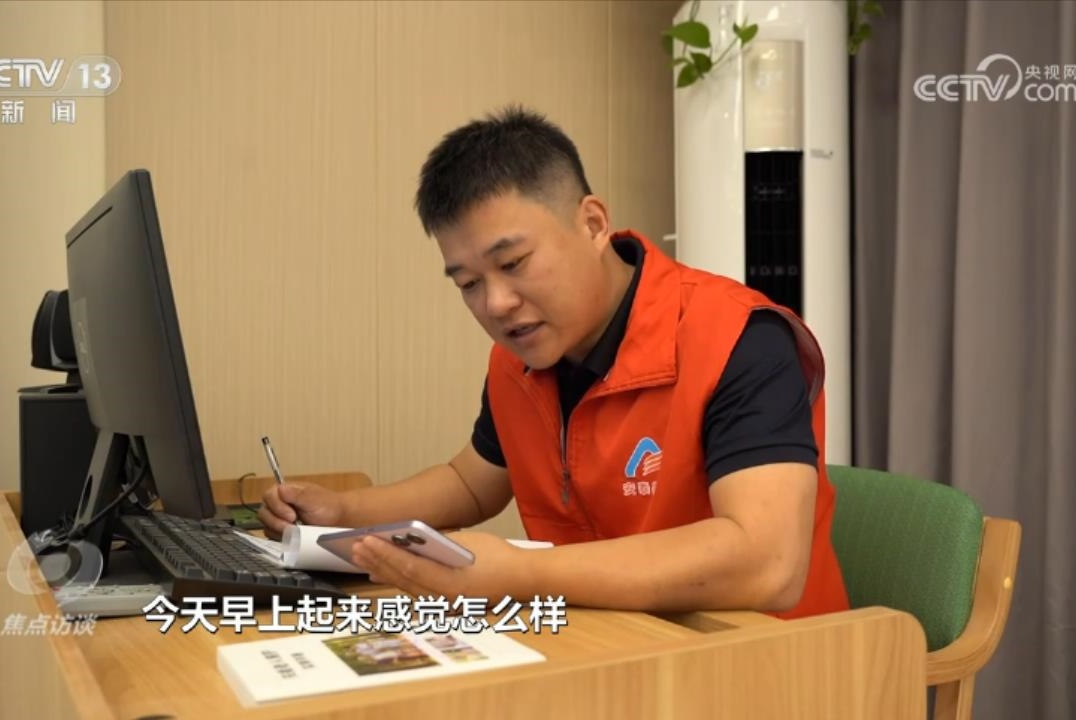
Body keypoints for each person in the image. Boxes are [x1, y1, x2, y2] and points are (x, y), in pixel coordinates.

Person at [260, 106, 849, 618]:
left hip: (763, 663)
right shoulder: (518, 360)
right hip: (613, 642)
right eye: (468, 283)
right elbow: (471, 483)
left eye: (513, 264)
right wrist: (343, 511)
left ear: (592, 224)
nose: (495, 304)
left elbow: (768, 564)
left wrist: (520, 574)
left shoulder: (738, 338)